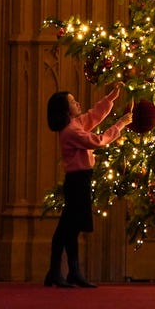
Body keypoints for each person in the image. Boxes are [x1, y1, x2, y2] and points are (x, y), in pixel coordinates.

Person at [45, 84, 129, 288]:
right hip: (76, 182)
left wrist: (111, 98)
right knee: (66, 229)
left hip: (79, 180)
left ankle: (71, 272)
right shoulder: (71, 130)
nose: (78, 103)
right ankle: (56, 272)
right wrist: (120, 124)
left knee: (71, 229)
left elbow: (93, 116)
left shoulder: (74, 124)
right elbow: (97, 141)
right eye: (73, 102)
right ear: (66, 110)